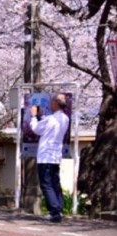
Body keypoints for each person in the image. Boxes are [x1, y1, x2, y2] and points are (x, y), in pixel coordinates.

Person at [30, 93, 70, 223]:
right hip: (55, 155)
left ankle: (54, 212)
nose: (50, 104)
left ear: (56, 104)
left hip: (46, 155)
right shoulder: (65, 118)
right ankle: (58, 208)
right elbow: (48, 125)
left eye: (52, 102)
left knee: (46, 184)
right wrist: (41, 116)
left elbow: (36, 128)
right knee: (55, 183)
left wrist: (33, 116)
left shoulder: (51, 119)